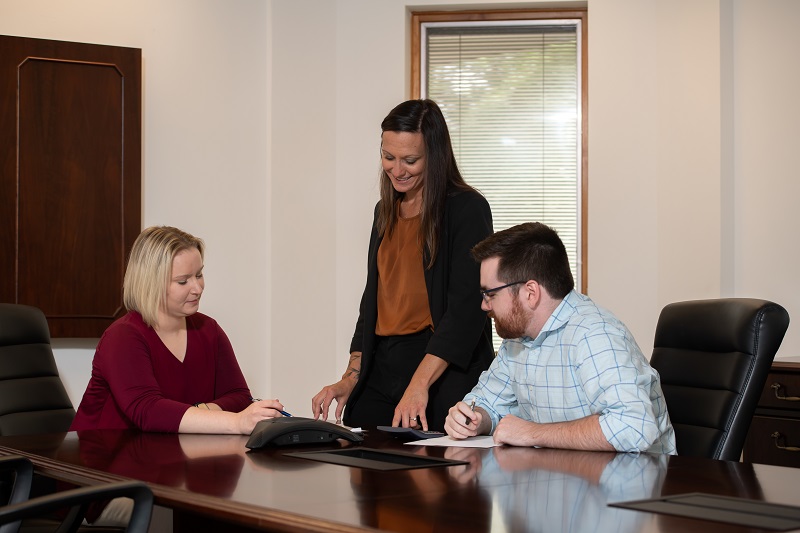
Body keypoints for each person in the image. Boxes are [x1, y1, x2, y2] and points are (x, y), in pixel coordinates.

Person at [311, 99, 494, 432]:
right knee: (361, 460)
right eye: (388, 157)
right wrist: (350, 378)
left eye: (410, 160)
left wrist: (419, 384)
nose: (397, 170)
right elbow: (373, 302)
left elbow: (467, 310)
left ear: (435, 156)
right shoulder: (385, 212)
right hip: (383, 363)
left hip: (440, 364)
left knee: (437, 474)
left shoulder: (467, 209)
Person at [444, 222, 676, 453]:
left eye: (490, 294)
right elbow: (488, 402)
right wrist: (472, 419)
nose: (484, 305)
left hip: (637, 484)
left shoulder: (595, 334)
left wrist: (531, 433)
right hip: (561, 478)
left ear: (530, 293)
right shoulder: (517, 340)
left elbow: (633, 427)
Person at [71, 225, 285, 434]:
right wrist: (235, 422)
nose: (198, 288)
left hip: (169, 457)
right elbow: (147, 411)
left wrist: (202, 413)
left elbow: (238, 396)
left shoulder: (208, 329)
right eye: (183, 281)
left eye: (199, 275)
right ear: (150, 284)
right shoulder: (122, 337)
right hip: (104, 459)